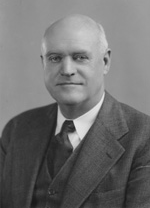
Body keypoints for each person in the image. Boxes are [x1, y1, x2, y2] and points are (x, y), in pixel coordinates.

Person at [0, 14, 150, 208]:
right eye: (55, 58)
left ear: (105, 62)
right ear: (43, 63)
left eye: (80, 57)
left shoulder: (143, 137)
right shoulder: (17, 129)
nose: (67, 69)